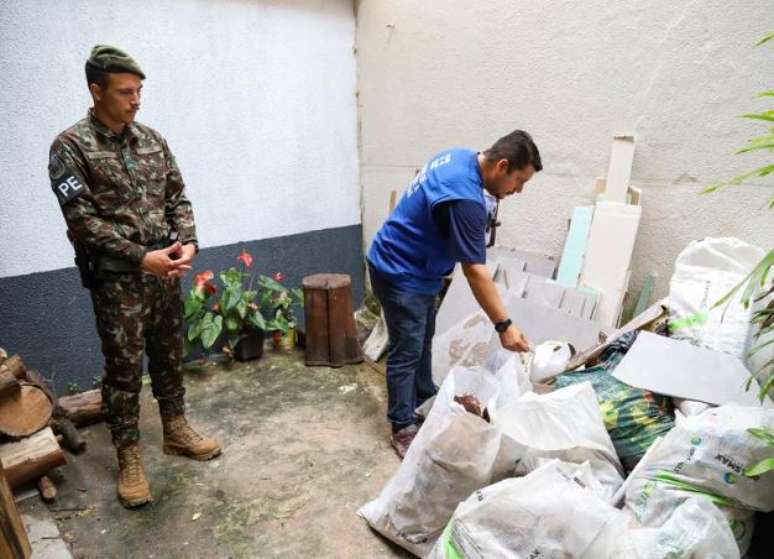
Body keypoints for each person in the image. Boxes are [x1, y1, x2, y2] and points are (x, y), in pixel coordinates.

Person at [48, 45, 221, 508]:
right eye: (125, 91)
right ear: (96, 90)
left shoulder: (152, 140)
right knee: (124, 372)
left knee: (169, 354)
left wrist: (188, 241)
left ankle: (176, 428)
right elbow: (83, 223)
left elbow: (178, 198)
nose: (135, 99)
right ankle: (128, 456)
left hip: (165, 272)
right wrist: (140, 257)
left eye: (139, 90)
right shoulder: (70, 147)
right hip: (118, 281)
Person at [367, 130, 542, 458]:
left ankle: (422, 397)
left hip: (417, 267)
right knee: (407, 348)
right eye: (519, 181)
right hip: (400, 271)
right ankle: (403, 425)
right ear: (502, 165)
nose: (517, 191)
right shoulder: (466, 200)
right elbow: (475, 271)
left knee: (423, 337)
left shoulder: (461, 156)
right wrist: (504, 326)